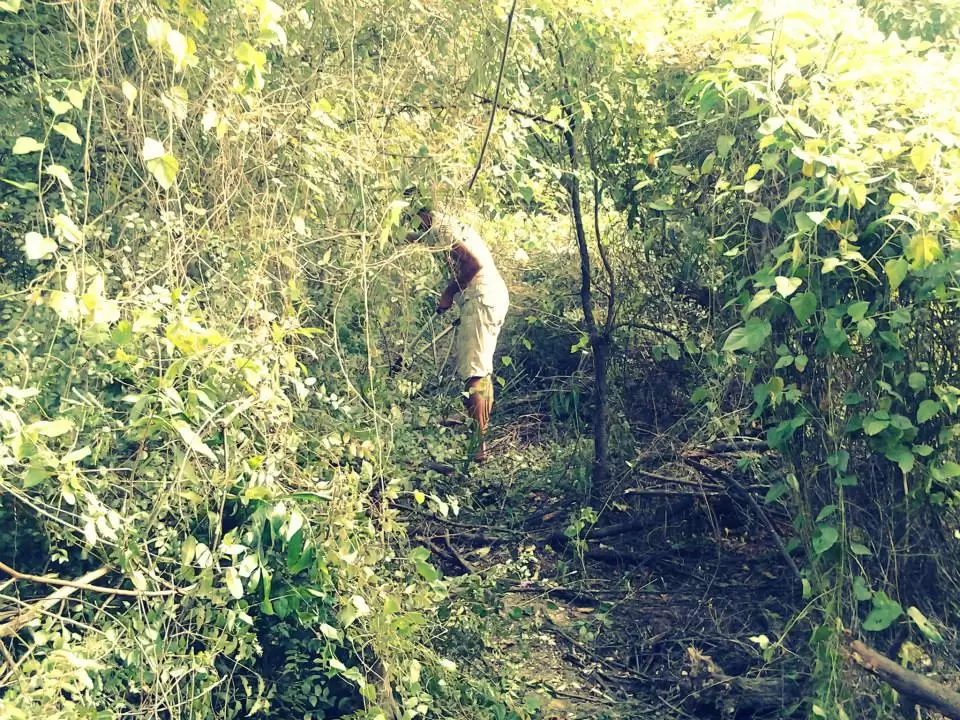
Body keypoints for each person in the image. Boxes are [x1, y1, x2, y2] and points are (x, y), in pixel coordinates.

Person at [405, 191, 509, 462]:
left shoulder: (444, 228)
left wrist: (449, 293)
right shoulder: (444, 227)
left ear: (421, 212)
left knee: (476, 373)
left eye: (411, 217)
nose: (411, 223)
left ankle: (478, 448)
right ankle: (476, 439)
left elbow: (473, 264)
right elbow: (427, 243)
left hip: (482, 299)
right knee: (479, 368)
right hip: (485, 299)